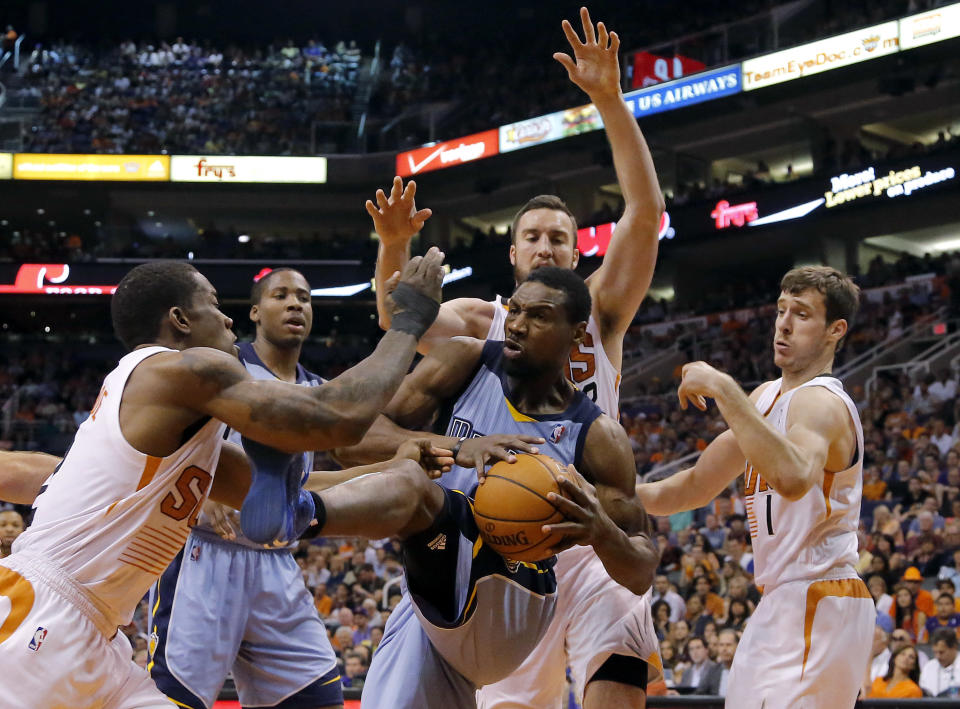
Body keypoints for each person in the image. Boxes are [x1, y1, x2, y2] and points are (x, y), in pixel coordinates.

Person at [368, 9, 665, 708]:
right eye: (532, 235)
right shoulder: (482, 322)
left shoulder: (602, 310)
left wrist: (610, 102)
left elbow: (645, 213)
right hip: (500, 534)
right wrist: (391, 247)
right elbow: (395, 319)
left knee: (618, 673)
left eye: (559, 237)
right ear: (512, 253)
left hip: (591, 526)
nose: (546, 246)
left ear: (577, 251)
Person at [0, 253, 445, 709]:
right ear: (180, 320)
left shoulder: (177, 419)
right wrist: (408, 321)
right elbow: (339, 418)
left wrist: (395, 468)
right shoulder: (177, 371)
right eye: (214, 304)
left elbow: (292, 496)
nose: (228, 318)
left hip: (98, 637)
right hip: (41, 615)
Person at [340, 267, 659, 708]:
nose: (518, 324)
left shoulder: (598, 436)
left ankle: (308, 510)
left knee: (425, 498)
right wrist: (458, 447)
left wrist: (600, 530)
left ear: (576, 332)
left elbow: (641, 571)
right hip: (442, 582)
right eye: (515, 309)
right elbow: (353, 437)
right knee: (423, 497)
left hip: (517, 599)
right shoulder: (465, 361)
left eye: (540, 316)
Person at [636, 266, 875, 709]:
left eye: (802, 314)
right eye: (782, 310)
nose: (784, 324)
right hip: (779, 598)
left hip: (822, 595)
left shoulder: (821, 402)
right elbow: (691, 487)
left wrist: (723, 387)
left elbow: (793, 477)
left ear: (835, 330)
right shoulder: (765, 399)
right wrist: (609, 496)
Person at [146, 268, 338, 709]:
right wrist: (207, 490)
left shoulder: (317, 389)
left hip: (275, 561)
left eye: (305, 298)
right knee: (172, 701)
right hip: (202, 556)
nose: (296, 304)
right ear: (254, 311)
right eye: (282, 295)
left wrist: (407, 459)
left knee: (317, 699)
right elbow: (163, 445)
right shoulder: (223, 369)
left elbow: (311, 481)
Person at [695, 629, 737, 696]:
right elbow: (699, 694)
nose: (724, 649)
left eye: (728, 645)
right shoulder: (712, 670)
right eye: (721, 645)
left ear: (737, 646)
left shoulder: (747, 671)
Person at [920, 628, 960, 697]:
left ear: (954, 647)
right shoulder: (929, 667)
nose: (938, 656)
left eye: (941, 652)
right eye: (935, 652)